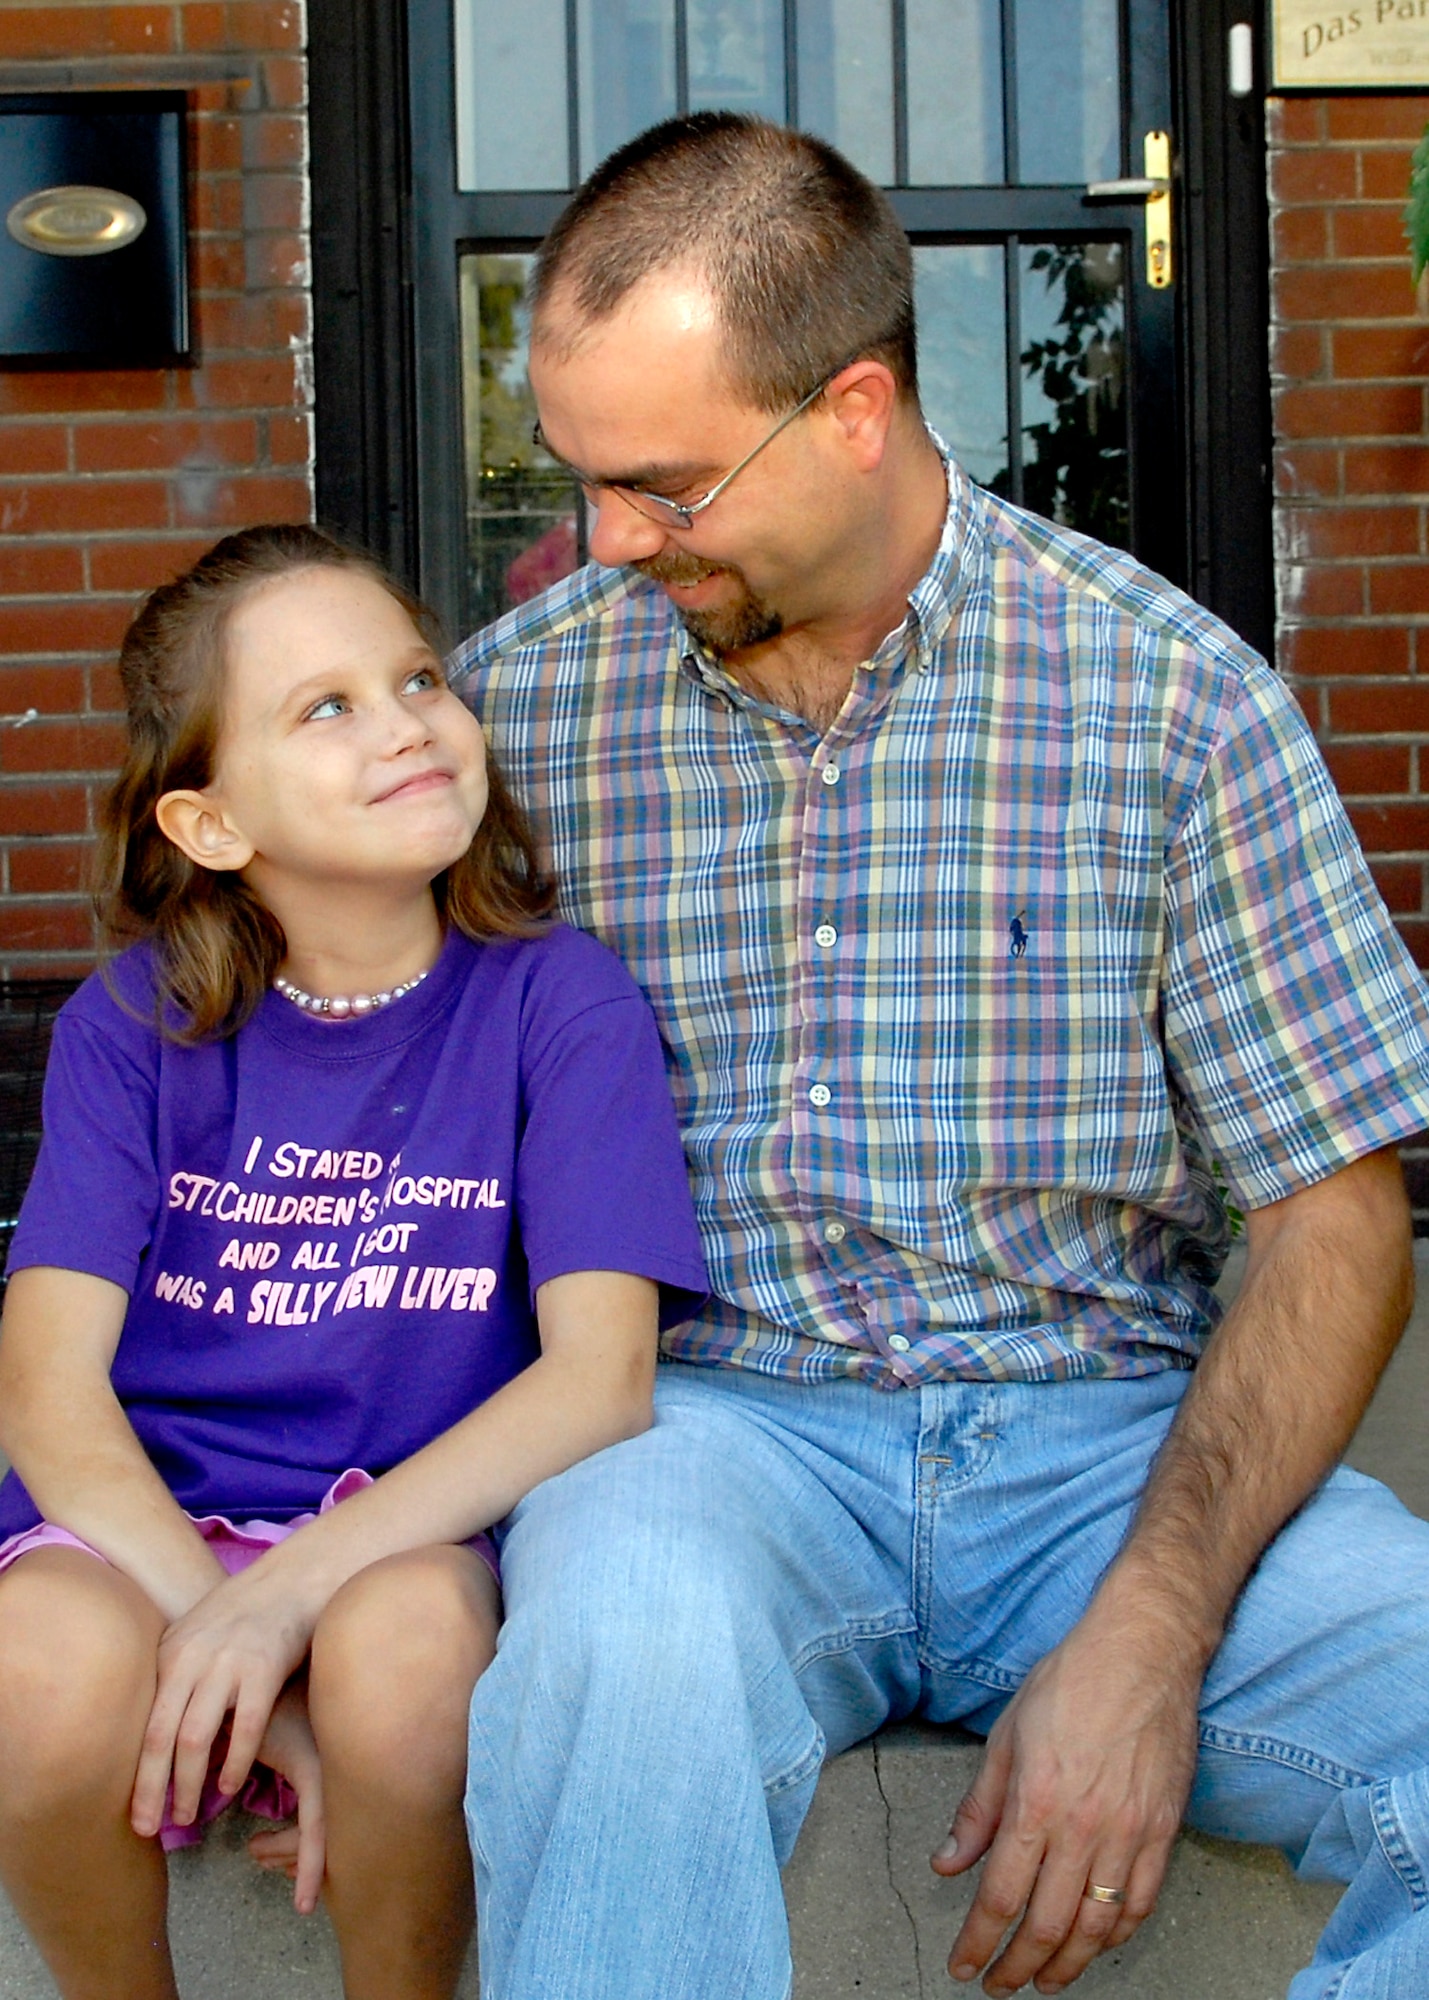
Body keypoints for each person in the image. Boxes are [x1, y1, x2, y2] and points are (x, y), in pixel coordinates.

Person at [455, 112, 1429, 2000]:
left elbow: (1333, 1215)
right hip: (699, 1431)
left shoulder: (1171, 701)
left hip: (1109, 1438)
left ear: (854, 409)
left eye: (660, 487)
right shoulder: (519, 717)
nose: (603, 543)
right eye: (575, 482)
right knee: (603, 1658)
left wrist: (1150, 1631)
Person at [0, 524, 707, 2000]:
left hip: (399, 1528)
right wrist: (233, 1650)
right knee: (37, 1668)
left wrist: (292, 1598)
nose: (405, 726)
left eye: (418, 679)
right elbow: (49, 1399)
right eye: (325, 708)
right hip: (148, 1530)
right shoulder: (128, 1027)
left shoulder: (553, 1001)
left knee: (400, 1667)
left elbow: (600, 1379)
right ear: (206, 825)